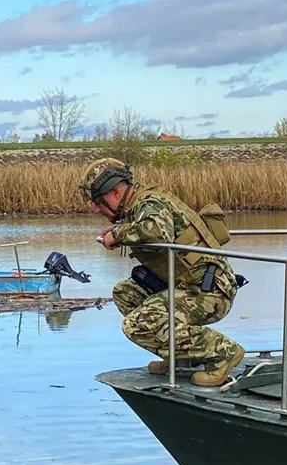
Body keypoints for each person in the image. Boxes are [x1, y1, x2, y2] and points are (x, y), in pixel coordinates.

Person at [78, 157, 245, 387]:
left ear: (115, 193)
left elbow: (157, 232)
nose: (96, 208)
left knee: (135, 325)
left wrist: (117, 235)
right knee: (125, 292)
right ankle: (181, 358)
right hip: (188, 285)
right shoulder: (137, 208)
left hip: (210, 291)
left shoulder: (150, 203)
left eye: (98, 201)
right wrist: (120, 229)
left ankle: (223, 352)